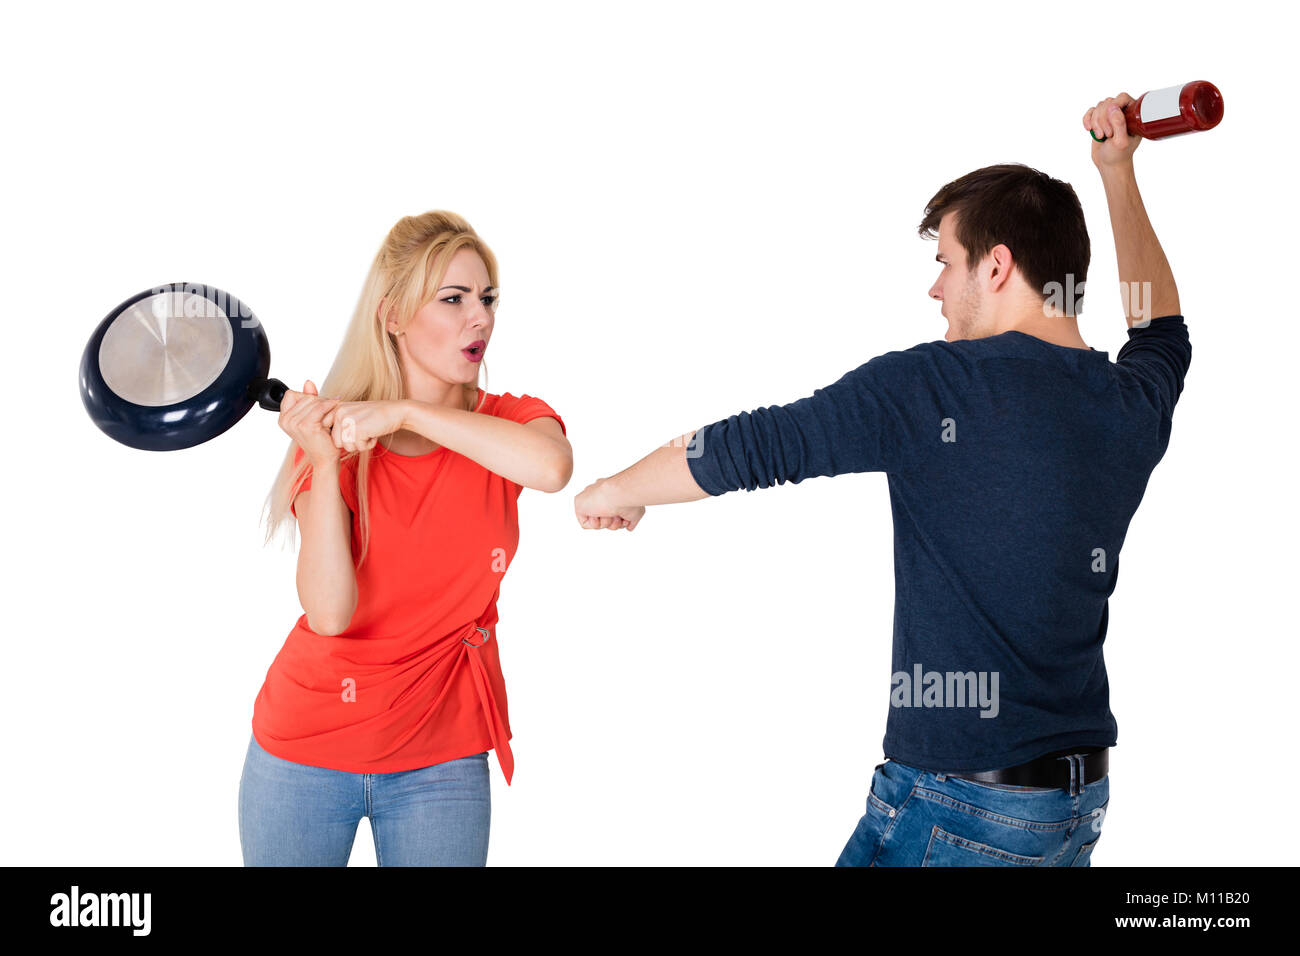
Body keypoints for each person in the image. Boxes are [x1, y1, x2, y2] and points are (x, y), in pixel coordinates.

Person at [572, 92, 1191, 866]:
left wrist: (614, 490)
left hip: (959, 803)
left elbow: (757, 444)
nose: (935, 289)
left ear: (997, 265)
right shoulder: (1129, 403)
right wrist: (1117, 174)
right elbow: (1160, 326)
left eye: (946, 262)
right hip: (1072, 806)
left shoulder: (937, 386)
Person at [239, 211, 572, 866]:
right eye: (453, 299)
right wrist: (327, 461)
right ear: (392, 317)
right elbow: (330, 613)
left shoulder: (511, 421)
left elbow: (552, 468)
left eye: (486, 299)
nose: (479, 317)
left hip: (441, 759)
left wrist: (409, 411)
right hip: (304, 753)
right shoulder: (333, 448)